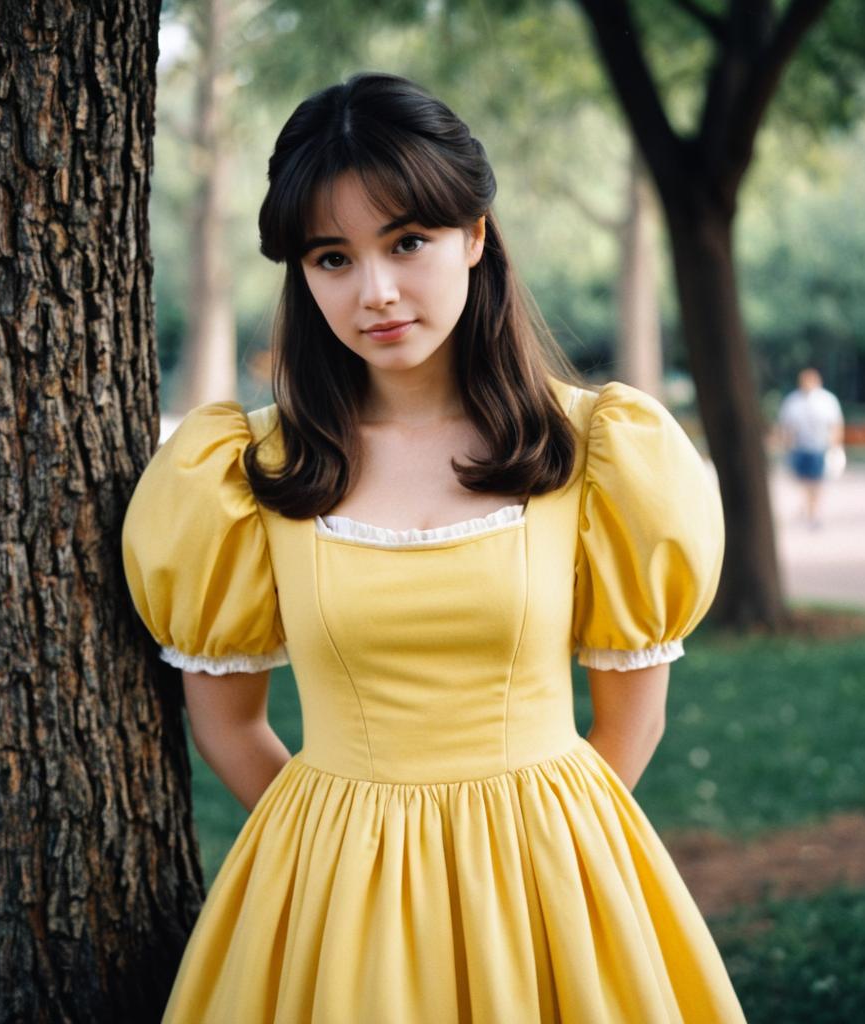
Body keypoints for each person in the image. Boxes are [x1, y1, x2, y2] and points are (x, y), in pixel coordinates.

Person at [122, 73, 746, 1023]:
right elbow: (228, 727)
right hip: (332, 892)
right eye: (332, 258)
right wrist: (349, 861)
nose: (375, 291)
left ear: (476, 236)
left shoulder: (599, 452)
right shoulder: (245, 471)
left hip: (552, 886)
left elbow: (630, 725)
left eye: (407, 242)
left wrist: (526, 864)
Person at [777, 367, 844, 528]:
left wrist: (835, 446)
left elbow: (835, 425)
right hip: (800, 447)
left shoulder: (827, 400)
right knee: (804, 481)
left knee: (816, 481)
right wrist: (786, 444)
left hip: (819, 447)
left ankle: (813, 512)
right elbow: (786, 426)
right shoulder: (793, 401)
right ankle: (809, 506)